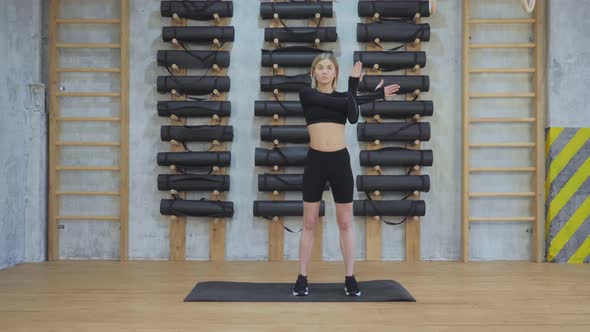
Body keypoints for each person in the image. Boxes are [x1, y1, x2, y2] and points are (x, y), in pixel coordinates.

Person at [292, 53, 400, 296]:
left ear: (336, 73)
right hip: (315, 162)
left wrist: (357, 90)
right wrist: (367, 95)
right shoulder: (306, 94)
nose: (324, 71)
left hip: (339, 161)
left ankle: (350, 277)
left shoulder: (345, 97)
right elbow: (343, 104)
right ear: (313, 72)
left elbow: (351, 116)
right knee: (308, 223)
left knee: (345, 222)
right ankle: (302, 277)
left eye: (329, 67)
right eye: (320, 67)